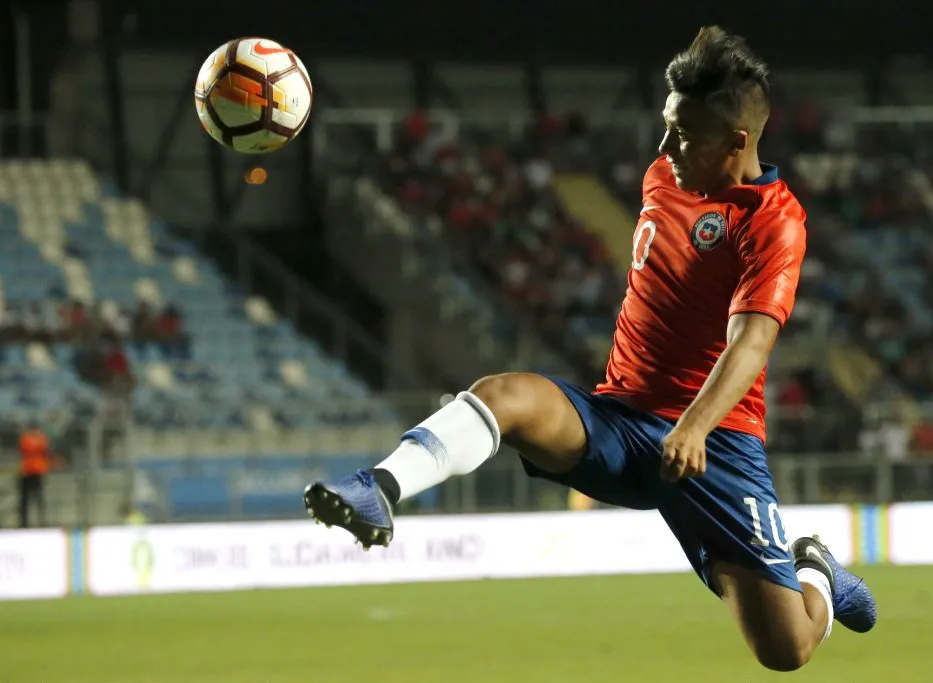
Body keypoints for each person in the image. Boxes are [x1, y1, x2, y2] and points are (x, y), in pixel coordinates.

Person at [304, 26, 876, 672]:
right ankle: (375, 486)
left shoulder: (774, 220)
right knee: (505, 395)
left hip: (714, 446)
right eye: (666, 126)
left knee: (786, 649)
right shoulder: (667, 174)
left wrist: (693, 423)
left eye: (683, 134)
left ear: (737, 142)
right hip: (618, 419)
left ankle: (819, 571)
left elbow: (752, 341)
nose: (664, 148)